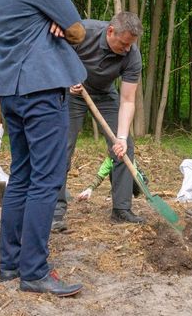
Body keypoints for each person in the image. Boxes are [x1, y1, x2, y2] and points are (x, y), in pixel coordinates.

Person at [0, 0, 86, 296]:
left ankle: (10, 264)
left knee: (22, 175)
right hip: (42, 88)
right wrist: (63, 25)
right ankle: (34, 271)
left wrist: (51, 21)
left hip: (10, 90)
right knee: (47, 179)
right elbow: (76, 30)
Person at [52, 12, 144, 231]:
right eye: (123, 44)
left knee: (124, 148)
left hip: (104, 94)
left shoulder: (132, 55)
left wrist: (121, 137)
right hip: (73, 91)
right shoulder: (84, 32)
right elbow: (54, 54)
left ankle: (121, 209)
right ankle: (55, 211)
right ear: (110, 31)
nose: (127, 49)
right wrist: (66, 79)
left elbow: (128, 100)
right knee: (62, 147)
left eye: (130, 45)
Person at [76, 156, 148, 201]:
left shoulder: (128, 156)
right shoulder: (110, 159)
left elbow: (140, 177)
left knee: (126, 171)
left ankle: (127, 195)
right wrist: (90, 189)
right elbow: (100, 176)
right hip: (121, 188)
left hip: (135, 185)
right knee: (113, 170)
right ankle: (117, 194)